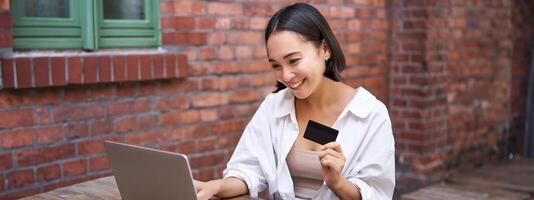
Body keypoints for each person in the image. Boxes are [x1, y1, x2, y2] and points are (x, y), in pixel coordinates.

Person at [194, 3, 395, 200]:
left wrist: (337, 183)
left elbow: (377, 192)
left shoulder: (370, 113)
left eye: (293, 61)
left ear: (325, 49)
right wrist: (215, 187)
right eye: (275, 65)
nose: (286, 75)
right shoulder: (273, 106)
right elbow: (248, 170)